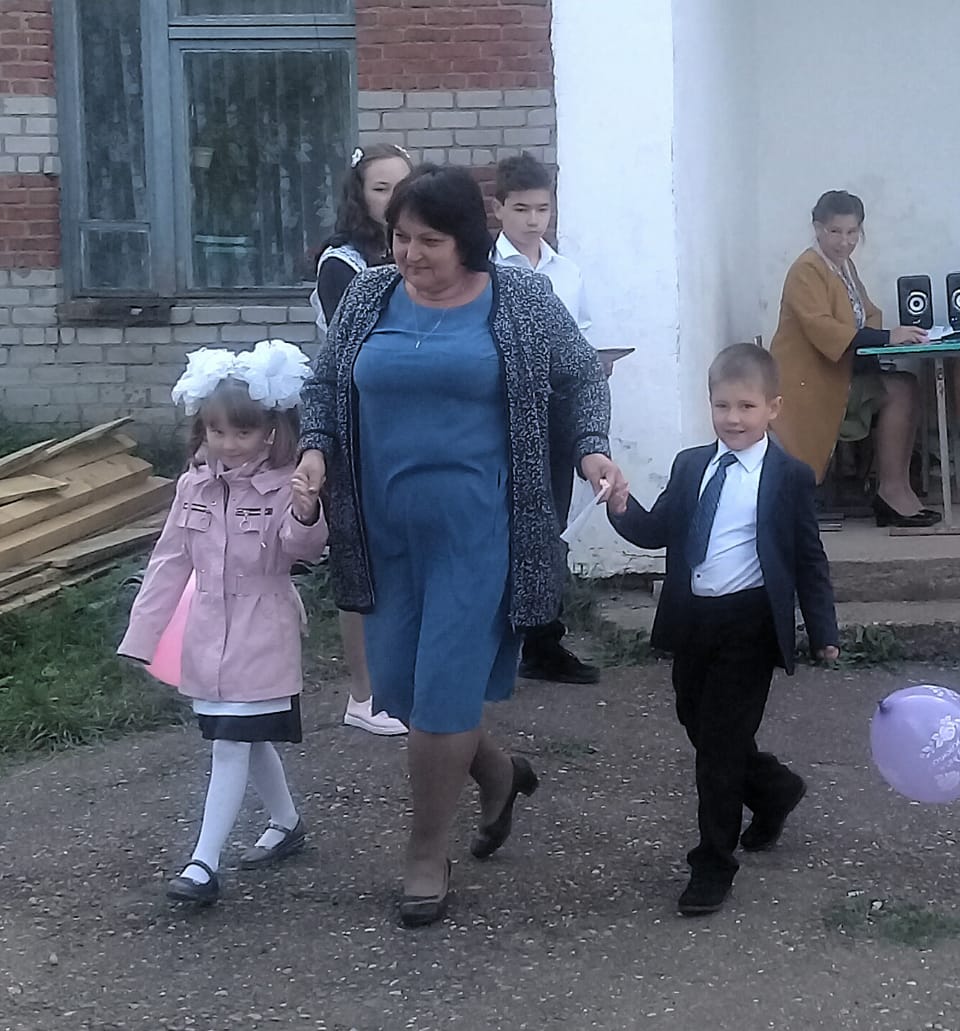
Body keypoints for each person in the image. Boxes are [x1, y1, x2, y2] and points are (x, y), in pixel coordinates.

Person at [296, 164, 628, 927]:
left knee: (444, 692)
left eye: (429, 241)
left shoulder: (520, 300)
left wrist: (590, 448)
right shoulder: (369, 297)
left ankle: (425, 853)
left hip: (481, 530)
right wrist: (314, 451)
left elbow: (583, 377)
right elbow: (325, 387)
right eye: (400, 237)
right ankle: (499, 772)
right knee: (404, 692)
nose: (410, 254)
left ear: (467, 240)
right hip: (384, 531)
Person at [608, 343, 839, 917]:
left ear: (773, 408)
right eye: (722, 406)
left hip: (749, 625)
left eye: (746, 406)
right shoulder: (692, 466)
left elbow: (808, 558)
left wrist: (823, 630)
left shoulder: (789, 477)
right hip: (694, 620)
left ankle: (713, 864)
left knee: (718, 751)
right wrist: (621, 506)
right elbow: (658, 530)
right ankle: (774, 789)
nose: (733, 419)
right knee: (698, 722)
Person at [118, 341, 328, 905]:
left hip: (263, 627)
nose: (229, 443)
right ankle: (287, 823)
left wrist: (307, 512)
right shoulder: (193, 486)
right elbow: (169, 562)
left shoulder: (286, 484)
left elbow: (302, 550)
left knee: (231, 743)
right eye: (217, 431)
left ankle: (202, 864)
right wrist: (143, 634)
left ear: (271, 431)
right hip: (208, 630)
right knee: (242, 736)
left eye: (243, 431)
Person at [311, 143, 414, 737]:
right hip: (356, 421)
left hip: (405, 421)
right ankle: (364, 692)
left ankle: (401, 678)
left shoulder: (414, 249)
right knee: (359, 556)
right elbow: (361, 346)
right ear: (360, 195)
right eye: (381, 188)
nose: (395, 197)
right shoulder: (343, 263)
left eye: (404, 184)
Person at [490, 152, 599, 686]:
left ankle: (543, 639)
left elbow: (580, 340)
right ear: (498, 209)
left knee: (550, 520)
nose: (533, 221)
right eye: (521, 209)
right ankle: (494, 634)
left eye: (542, 209)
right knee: (499, 521)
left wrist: (594, 368)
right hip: (501, 412)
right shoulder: (485, 270)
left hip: (553, 411)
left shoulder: (567, 272)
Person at [769, 189, 941, 528]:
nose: (844, 241)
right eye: (835, 231)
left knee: (905, 384)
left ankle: (896, 487)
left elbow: (867, 314)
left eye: (852, 232)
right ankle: (891, 491)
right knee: (900, 390)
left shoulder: (842, 267)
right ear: (817, 228)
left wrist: (889, 337)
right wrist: (887, 338)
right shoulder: (806, 269)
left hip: (836, 371)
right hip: (807, 382)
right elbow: (823, 329)